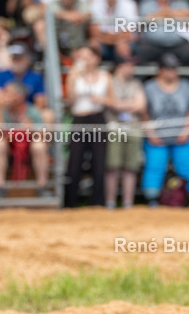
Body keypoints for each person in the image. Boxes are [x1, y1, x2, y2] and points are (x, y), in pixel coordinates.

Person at [141, 53, 189, 208]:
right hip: (157, 137)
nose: (172, 72)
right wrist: (151, 133)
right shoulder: (149, 88)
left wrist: (186, 131)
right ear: (160, 70)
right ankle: (152, 199)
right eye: (168, 69)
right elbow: (144, 112)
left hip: (182, 136)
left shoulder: (186, 86)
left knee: (187, 165)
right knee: (154, 166)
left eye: (174, 68)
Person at [63, 45, 110, 207]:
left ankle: (98, 202)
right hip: (79, 118)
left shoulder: (105, 76)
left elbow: (113, 100)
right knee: (74, 162)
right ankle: (70, 202)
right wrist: (73, 77)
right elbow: (70, 102)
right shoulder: (74, 75)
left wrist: (102, 100)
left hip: (98, 118)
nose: (84, 60)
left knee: (99, 162)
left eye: (87, 56)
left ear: (96, 58)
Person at [0, 81, 50, 197]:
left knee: (39, 145)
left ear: (20, 96)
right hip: (9, 145)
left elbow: (44, 135)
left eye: (8, 93)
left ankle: (42, 187)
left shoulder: (32, 111)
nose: (5, 96)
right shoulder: (2, 110)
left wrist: (30, 130)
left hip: (27, 145)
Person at [104, 55, 146, 209]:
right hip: (114, 128)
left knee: (131, 167)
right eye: (130, 65)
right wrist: (129, 104)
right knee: (112, 167)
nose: (132, 69)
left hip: (133, 128)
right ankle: (110, 202)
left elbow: (141, 106)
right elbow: (109, 102)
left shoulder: (136, 83)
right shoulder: (109, 82)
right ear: (120, 66)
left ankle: (128, 203)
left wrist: (119, 104)